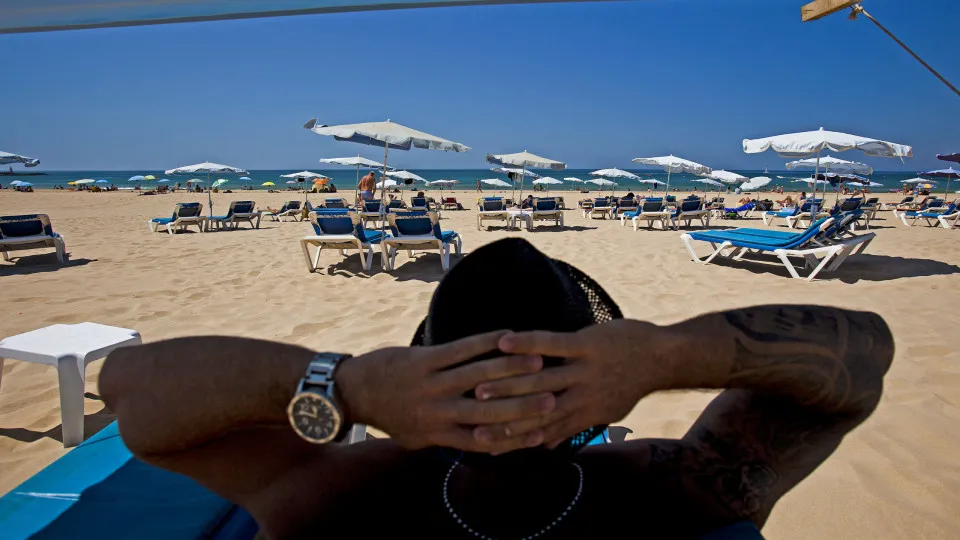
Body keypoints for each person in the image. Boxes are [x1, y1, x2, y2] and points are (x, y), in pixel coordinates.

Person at [101, 238, 893, 540]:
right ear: (597, 393)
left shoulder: (339, 493)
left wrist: (344, 385)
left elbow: (130, 392)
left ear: (422, 371)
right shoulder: (673, 491)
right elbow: (861, 362)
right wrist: (666, 356)